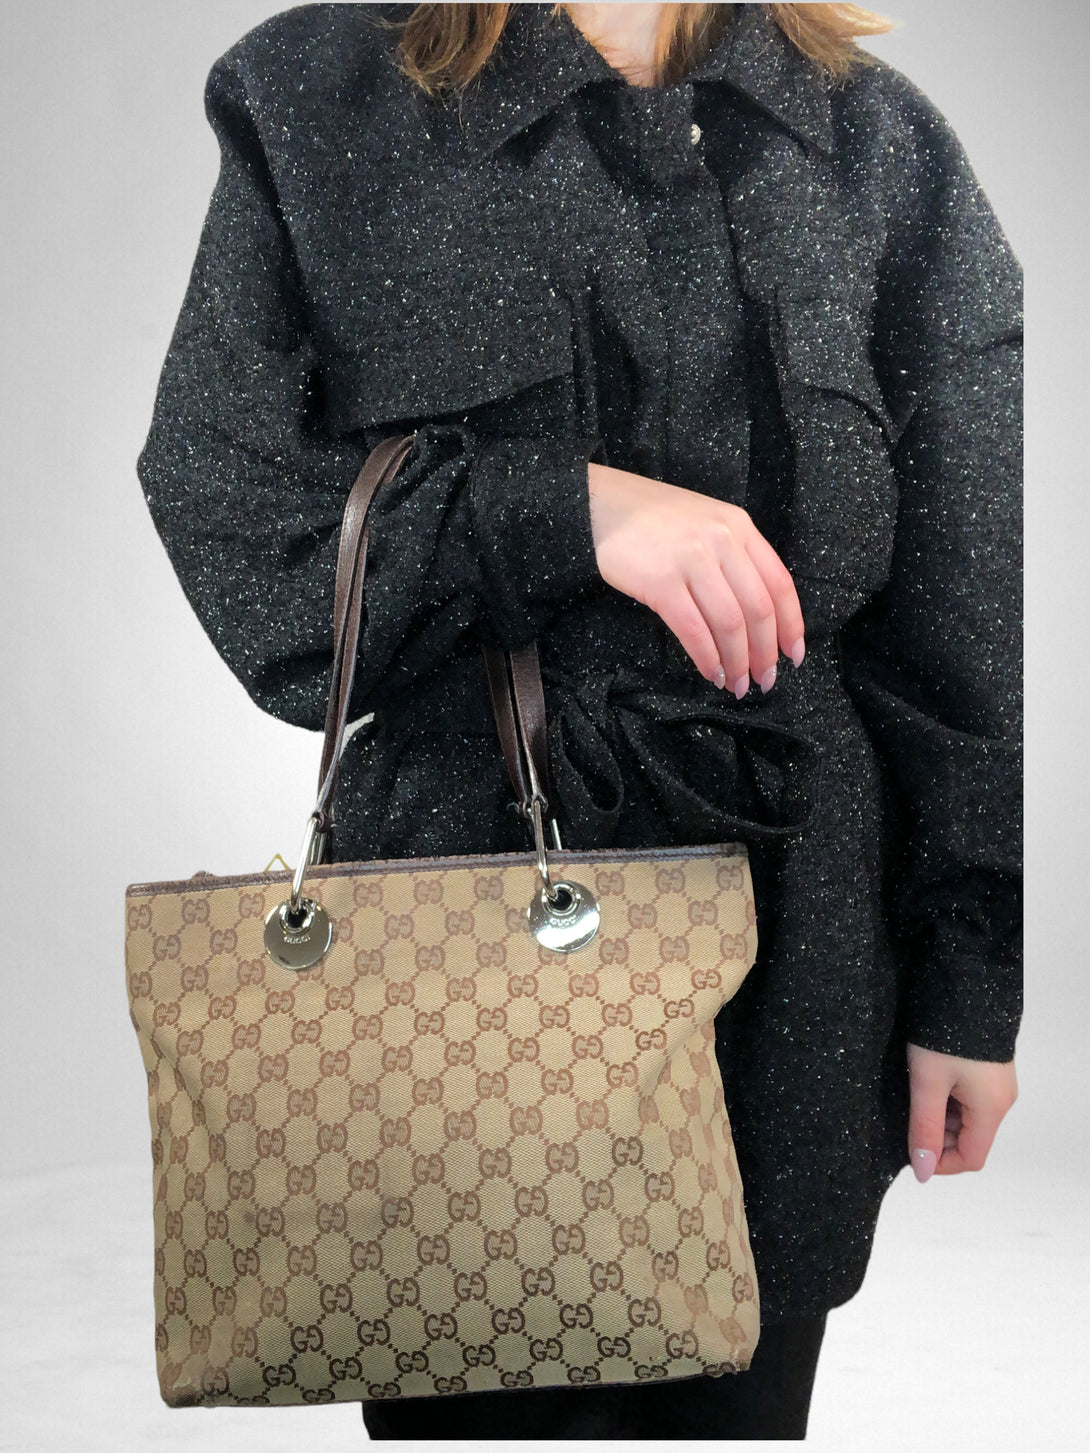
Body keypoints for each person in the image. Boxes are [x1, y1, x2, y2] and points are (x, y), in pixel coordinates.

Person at [135, 1, 1022, 1440]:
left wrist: (969, 979)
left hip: (792, 963)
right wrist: (566, 511)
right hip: (454, 951)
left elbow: (966, 611)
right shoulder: (320, 94)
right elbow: (242, 524)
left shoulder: (875, 143)